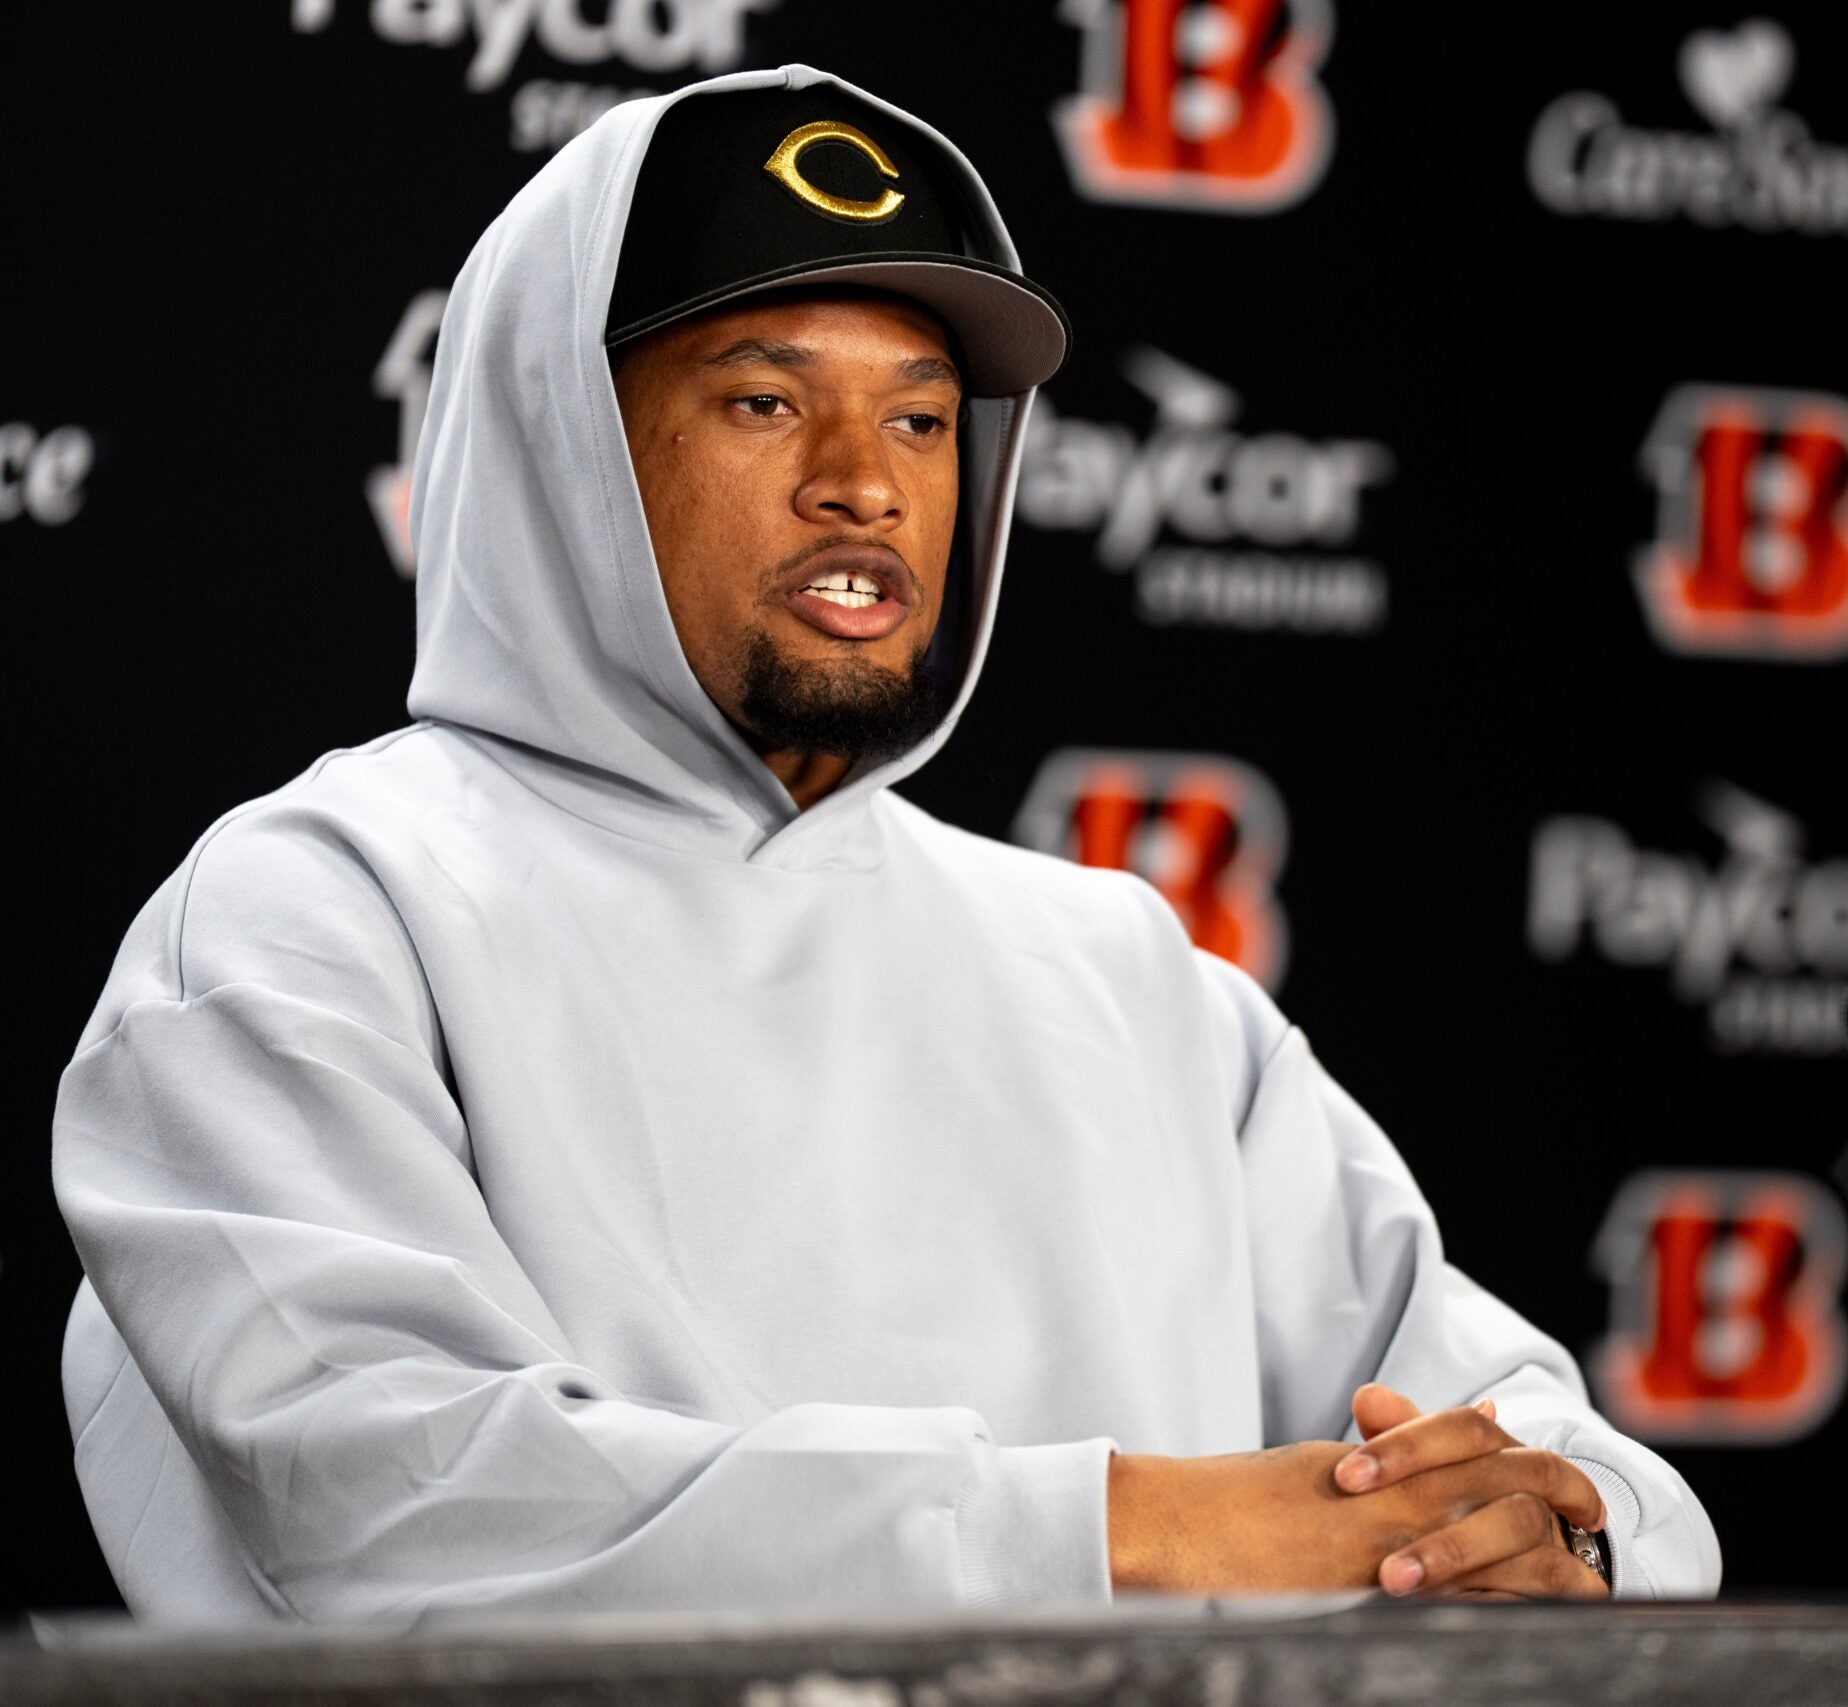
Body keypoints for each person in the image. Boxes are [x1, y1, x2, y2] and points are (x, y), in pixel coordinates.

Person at [53, 66, 1721, 1624]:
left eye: (921, 422)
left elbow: (1570, 1458)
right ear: (566, 447)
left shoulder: (1121, 969)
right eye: (767, 400)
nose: (863, 485)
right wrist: (1138, 1525)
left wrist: (1542, 1526)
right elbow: (399, 1508)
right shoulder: (320, 910)